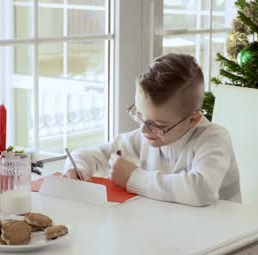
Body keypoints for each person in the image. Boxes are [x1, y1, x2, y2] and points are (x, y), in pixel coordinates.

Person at [62, 53, 241, 206]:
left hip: (224, 238)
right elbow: (88, 155)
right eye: (139, 116)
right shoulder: (144, 139)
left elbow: (202, 190)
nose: (144, 130)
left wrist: (133, 178)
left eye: (158, 125)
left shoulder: (213, 138)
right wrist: (78, 168)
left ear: (192, 119)